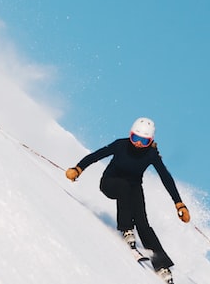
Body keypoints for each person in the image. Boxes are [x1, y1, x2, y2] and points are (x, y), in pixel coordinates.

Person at [65, 117, 190, 282]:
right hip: (110, 183)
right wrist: (78, 168)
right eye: (135, 138)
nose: (138, 144)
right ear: (130, 135)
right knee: (124, 187)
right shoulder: (121, 145)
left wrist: (179, 203)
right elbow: (96, 155)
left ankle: (161, 265)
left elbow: (165, 177)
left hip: (133, 187)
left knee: (143, 223)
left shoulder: (151, 154)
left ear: (150, 141)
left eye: (143, 141)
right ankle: (126, 229)